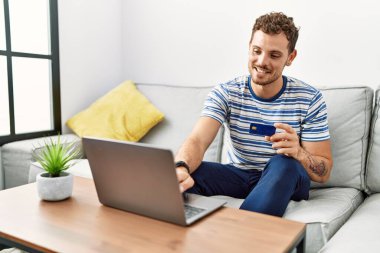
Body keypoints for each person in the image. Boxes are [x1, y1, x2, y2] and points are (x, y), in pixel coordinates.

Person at [174, 12, 333, 217]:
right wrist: (181, 167)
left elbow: (324, 173)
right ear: (249, 48)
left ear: (290, 57)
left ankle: (245, 238)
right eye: (256, 51)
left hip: (286, 177)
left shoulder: (310, 99)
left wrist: (298, 152)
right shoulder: (226, 92)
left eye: (274, 55)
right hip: (239, 176)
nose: (261, 61)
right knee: (180, 175)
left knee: (283, 162)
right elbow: (197, 140)